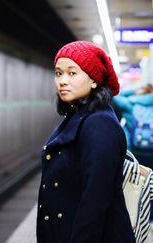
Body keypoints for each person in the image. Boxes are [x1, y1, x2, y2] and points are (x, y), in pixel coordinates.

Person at [36, 41, 136, 243]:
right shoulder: (78, 117)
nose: (62, 81)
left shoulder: (99, 124)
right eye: (58, 73)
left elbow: (96, 200)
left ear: (94, 80)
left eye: (72, 73)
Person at [112, 83, 153, 239]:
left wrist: (134, 90)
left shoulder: (130, 104)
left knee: (133, 186)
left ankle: (133, 220)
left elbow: (115, 96)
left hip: (135, 154)